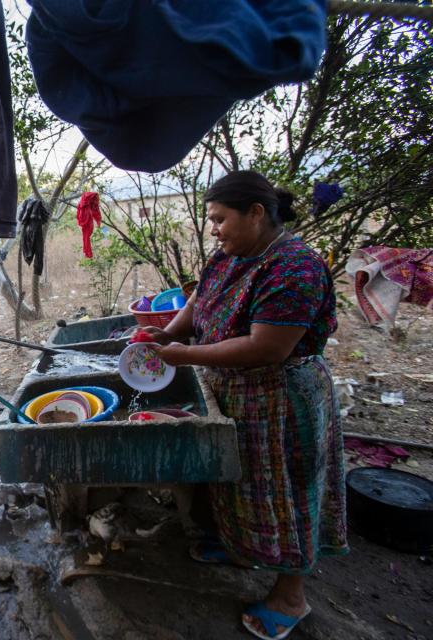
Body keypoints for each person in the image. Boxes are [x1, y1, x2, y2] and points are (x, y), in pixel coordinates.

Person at [141, 171, 348, 640]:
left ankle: (290, 596)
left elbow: (268, 347)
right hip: (235, 392)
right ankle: (242, 547)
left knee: (288, 494)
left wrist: (183, 355)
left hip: (283, 400)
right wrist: (170, 333)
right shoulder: (231, 253)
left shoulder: (294, 267)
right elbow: (201, 296)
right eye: (210, 219)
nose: (213, 228)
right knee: (242, 481)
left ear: (256, 214)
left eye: (220, 218)